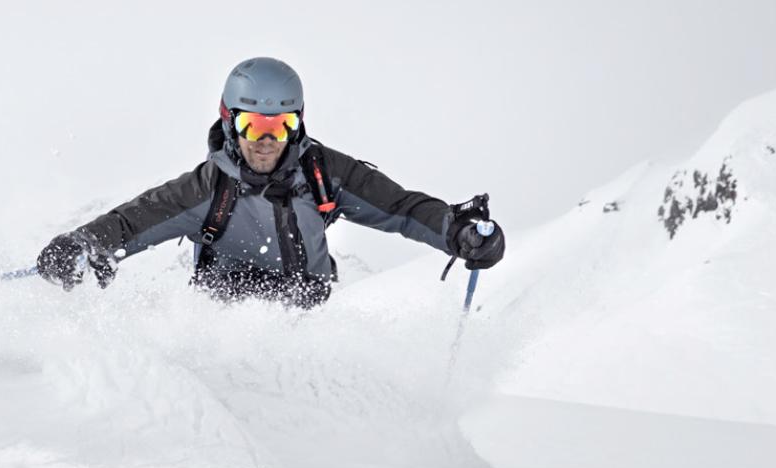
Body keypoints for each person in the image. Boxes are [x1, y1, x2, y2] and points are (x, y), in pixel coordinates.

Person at [36, 57, 506, 309]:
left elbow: (401, 208)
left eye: (279, 126)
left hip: (308, 312)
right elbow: (133, 221)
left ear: (297, 124)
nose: (267, 141)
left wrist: (455, 231)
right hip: (225, 314)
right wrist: (82, 244)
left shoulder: (325, 174)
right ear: (230, 122)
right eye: (253, 126)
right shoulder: (206, 189)